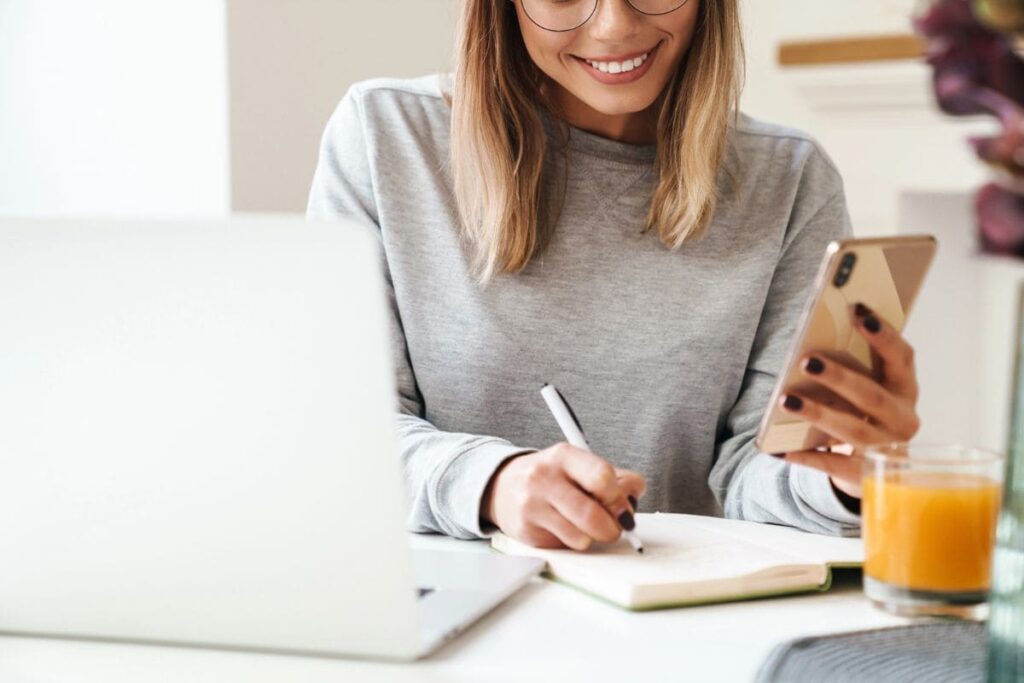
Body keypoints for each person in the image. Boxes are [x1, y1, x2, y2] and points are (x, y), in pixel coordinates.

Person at [307, 0, 921, 550]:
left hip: (675, 617)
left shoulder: (791, 178)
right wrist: (496, 484)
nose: (614, 26)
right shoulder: (384, 135)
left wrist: (842, 478)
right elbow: (342, 433)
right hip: (447, 610)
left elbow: (750, 473)